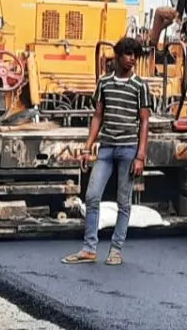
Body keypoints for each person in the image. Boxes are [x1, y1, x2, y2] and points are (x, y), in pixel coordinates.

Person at [62, 37, 152, 266]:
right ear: (119, 56)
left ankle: (116, 250)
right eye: (129, 54)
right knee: (92, 196)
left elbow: (144, 122)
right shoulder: (104, 83)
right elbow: (98, 116)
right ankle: (89, 248)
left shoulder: (140, 86)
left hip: (128, 149)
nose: (132, 59)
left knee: (124, 201)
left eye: (135, 55)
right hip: (106, 148)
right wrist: (87, 146)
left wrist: (141, 156)